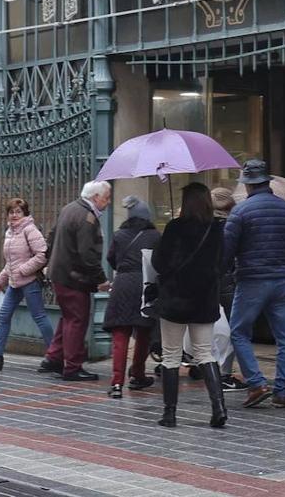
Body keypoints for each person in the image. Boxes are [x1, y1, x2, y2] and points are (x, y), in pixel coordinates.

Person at [223, 159, 285, 409]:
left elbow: (226, 250)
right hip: (283, 281)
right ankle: (282, 391)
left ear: (248, 185)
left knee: (239, 332)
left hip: (252, 281)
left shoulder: (240, 212)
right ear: (267, 182)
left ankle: (256, 383)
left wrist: (222, 273)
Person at [152, 182, 227, 429]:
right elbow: (224, 264)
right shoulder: (216, 229)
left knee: (172, 355)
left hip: (175, 299)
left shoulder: (174, 228)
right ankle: (219, 408)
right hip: (204, 299)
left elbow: (159, 262)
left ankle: (170, 414)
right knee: (205, 352)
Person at [40, 180, 111, 381]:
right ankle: (72, 366)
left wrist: (50, 261)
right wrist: (101, 279)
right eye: (106, 198)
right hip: (74, 278)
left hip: (60, 273)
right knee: (77, 320)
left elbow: (51, 236)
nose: (107, 203)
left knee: (68, 317)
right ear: (95, 198)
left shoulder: (69, 208)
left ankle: (54, 357)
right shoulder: (87, 217)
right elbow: (87, 254)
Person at [0, 198, 54, 371]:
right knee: (4, 316)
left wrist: (24, 270)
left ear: (25, 213)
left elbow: (42, 254)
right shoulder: (10, 232)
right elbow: (11, 262)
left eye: (18, 211)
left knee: (39, 317)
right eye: (11, 212)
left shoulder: (30, 230)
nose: (14, 215)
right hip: (14, 282)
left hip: (30, 281)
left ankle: (55, 355)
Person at [102, 195, 160, 398]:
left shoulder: (119, 235)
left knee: (120, 334)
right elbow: (160, 262)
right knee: (144, 332)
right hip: (145, 285)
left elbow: (111, 259)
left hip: (123, 285)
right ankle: (138, 374)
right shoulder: (155, 236)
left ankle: (117, 383)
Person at [210, 187, 246, 392]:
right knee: (233, 330)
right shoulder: (232, 225)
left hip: (208, 284)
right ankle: (224, 374)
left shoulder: (204, 225)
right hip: (229, 283)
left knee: (213, 329)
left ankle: (212, 370)